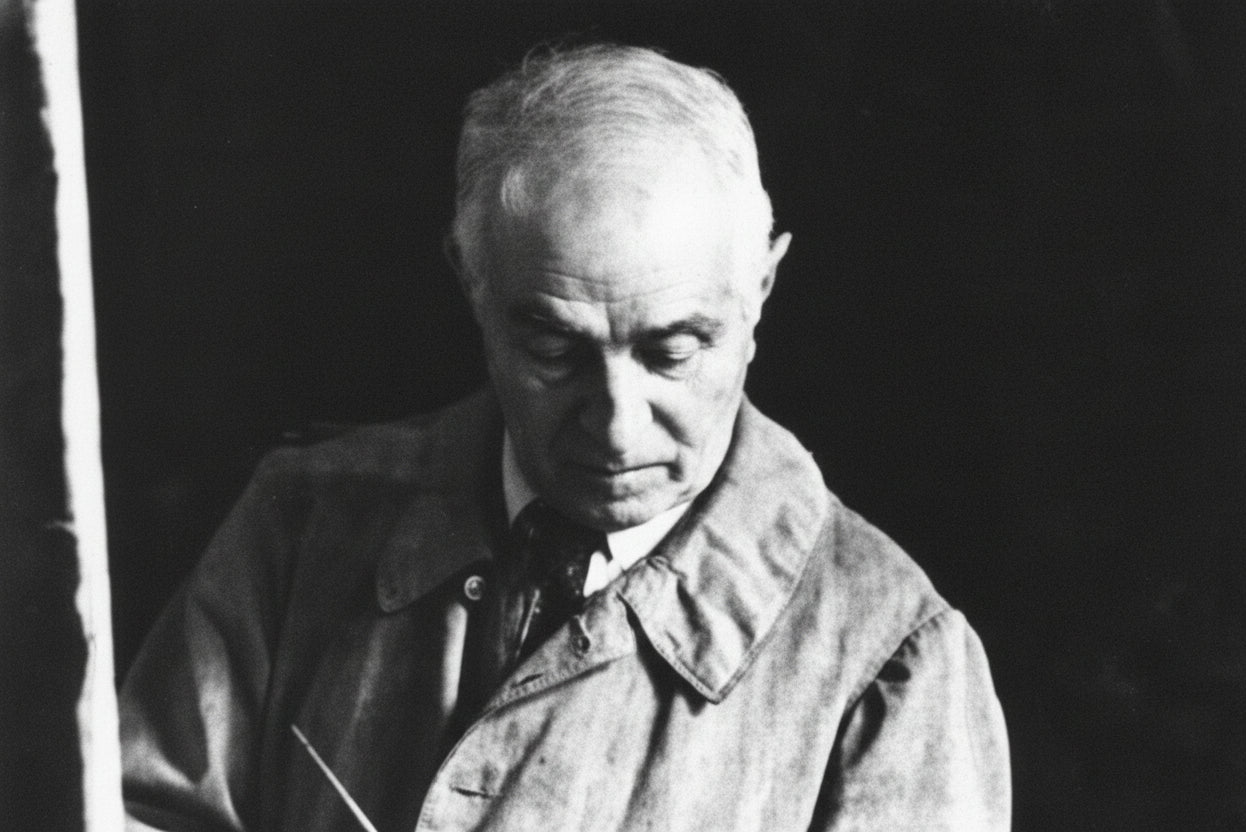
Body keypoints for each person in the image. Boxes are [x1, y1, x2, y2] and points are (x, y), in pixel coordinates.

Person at [119, 43, 1011, 831]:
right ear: (471, 282)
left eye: (672, 352)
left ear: (761, 292)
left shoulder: (891, 664)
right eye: (555, 350)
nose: (616, 425)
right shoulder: (299, 527)